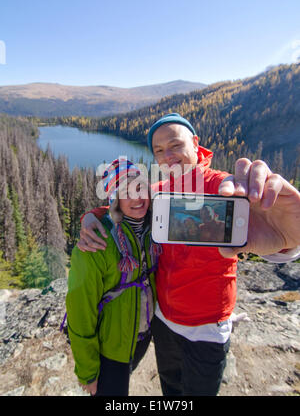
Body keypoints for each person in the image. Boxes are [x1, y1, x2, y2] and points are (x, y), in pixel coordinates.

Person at [77, 113, 300, 396]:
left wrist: (288, 240)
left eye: (175, 145)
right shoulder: (156, 193)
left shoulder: (222, 187)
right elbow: (123, 205)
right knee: (171, 390)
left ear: (195, 144)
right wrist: (92, 216)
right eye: (159, 150)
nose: (167, 156)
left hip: (207, 328)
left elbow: (265, 234)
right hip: (164, 321)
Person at [66, 158, 160, 396]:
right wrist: (88, 371)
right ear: (115, 200)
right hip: (110, 349)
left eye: (140, 187)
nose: (137, 197)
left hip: (140, 337)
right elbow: (80, 312)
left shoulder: (156, 227)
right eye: (126, 192)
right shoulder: (95, 243)